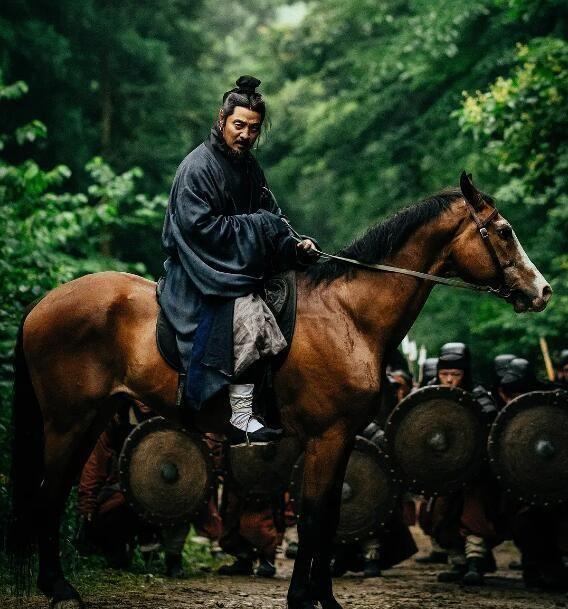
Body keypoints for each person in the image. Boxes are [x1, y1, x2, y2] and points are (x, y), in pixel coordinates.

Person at [158, 75, 318, 445]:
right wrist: (260, 226)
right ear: (222, 119)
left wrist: (295, 246)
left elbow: (273, 218)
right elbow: (201, 231)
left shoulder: (250, 168)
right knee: (253, 322)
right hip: (200, 272)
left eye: (254, 129)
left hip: (233, 266)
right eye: (239, 125)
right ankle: (240, 416)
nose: (246, 135)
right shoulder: (197, 168)